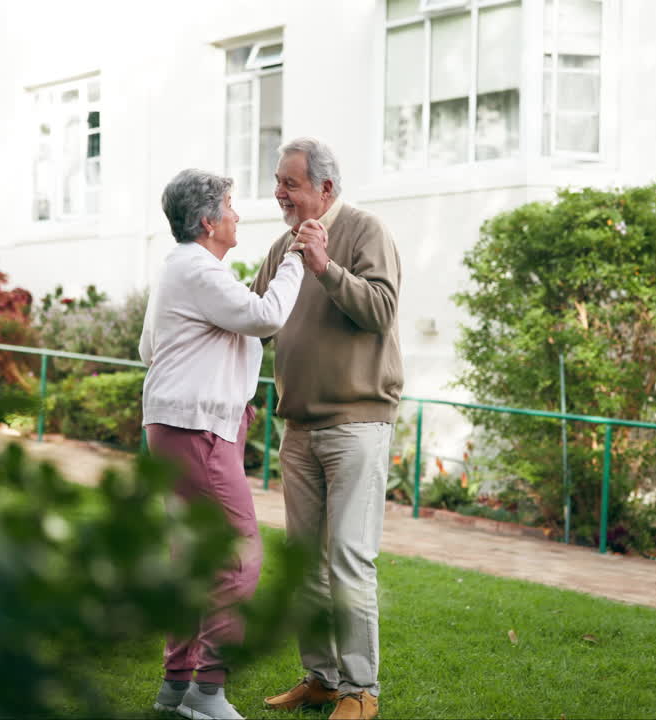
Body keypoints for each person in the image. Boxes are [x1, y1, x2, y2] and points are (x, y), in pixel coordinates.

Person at [141, 168, 305, 720]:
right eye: (231, 206)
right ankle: (207, 694)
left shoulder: (179, 270)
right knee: (238, 559)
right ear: (208, 220)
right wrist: (296, 261)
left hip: (176, 426)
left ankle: (175, 688)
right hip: (198, 430)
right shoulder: (198, 269)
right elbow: (265, 316)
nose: (237, 215)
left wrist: (230, 392)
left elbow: (151, 349)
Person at [252, 138, 402, 720]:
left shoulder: (367, 232)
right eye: (278, 182)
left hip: (357, 422)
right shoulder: (279, 248)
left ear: (325, 189)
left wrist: (326, 267)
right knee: (304, 560)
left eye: (289, 183)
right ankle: (321, 678)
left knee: (347, 556)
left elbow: (381, 310)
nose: (279, 193)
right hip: (299, 427)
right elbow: (257, 318)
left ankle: (361, 690)